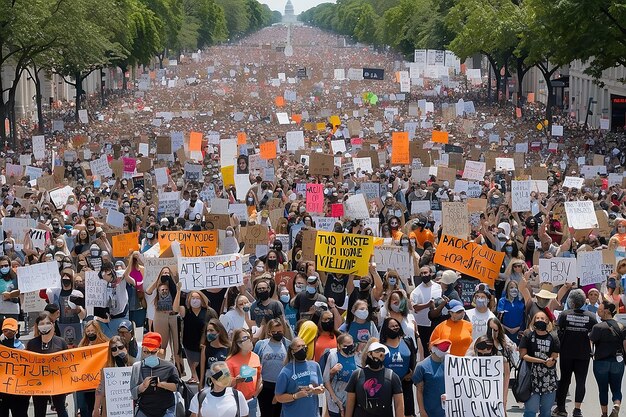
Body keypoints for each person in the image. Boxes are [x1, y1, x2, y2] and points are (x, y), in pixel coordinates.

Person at [553, 289, 597, 417]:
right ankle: (577, 410)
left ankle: (561, 408)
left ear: (571, 302)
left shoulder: (564, 315)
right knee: (581, 381)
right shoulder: (591, 317)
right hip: (583, 355)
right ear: (584, 301)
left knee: (565, 380)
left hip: (566, 353)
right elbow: (594, 335)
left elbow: (558, 333)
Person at [345, 339, 404, 417]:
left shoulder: (392, 376)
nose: (378, 358)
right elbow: (350, 401)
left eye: (382, 355)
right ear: (369, 354)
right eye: (376, 352)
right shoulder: (357, 375)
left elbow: (399, 404)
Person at [27, 312, 69, 417]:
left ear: (52, 324)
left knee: (61, 408)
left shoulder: (61, 342)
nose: (44, 325)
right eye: (41, 323)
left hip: (57, 382)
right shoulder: (32, 344)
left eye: (47, 323)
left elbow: (67, 362)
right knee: (39, 411)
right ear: (37, 326)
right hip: (39, 384)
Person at [518, 311, 560, 417]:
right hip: (531, 376)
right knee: (531, 410)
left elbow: (555, 354)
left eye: (542, 318)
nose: (540, 320)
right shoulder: (528, 335)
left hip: (548, 377)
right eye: (537, 318)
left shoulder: (553, 337)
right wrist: (541, 361)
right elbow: (523, 355)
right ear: (533, 321)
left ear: (547, 321)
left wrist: (551, 360)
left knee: (546, 411)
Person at [589, 301, 626, 417]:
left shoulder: (597, 327)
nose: (598, 312)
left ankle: (604, 414)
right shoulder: (622, 327)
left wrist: (591, 354)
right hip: (617, 361)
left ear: (606, 311)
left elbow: (590, 343)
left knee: (603, 389)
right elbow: (625, 344)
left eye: (600, 310)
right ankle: (616, 405)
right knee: (617, 388)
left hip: (601, 362)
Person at [130, 332, 180, 417]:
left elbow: (176, 387)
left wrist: (161, 384)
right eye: (146, 352)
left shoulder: (169, 367)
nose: (149, 355)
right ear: (142, 349)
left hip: (166, 410)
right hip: (144, 410)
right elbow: (133, 392)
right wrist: (143, 386)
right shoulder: (137, 367)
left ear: (159, 350)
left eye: (153, 352)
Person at [274, 337, 325, 417]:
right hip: (292, 413)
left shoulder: (315, 365)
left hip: (312, 413)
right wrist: (295, 396)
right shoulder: (286, 371)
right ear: (292, 351)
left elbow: (321, 386)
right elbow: (278, 397)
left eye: (303, 346)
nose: (302, 349)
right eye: (298, 347)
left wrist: (318, 390)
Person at [176, 290, 216, 384]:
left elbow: (216, 327)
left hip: (204, 344)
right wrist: (178, 290)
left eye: (197, 298)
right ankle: (194, 377)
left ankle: (203, 379)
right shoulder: (185, 311)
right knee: (193, 365)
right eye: (193, 298)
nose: (195, 300)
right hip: (189, 344)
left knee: (202, 364)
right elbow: (175, 308)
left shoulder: (209, 312)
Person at [380, 317, 417, 417]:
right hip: (386, 384)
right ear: (386, 329)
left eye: (396, 326)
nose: (395, 328)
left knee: (408, 412)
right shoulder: (380, 346)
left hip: (405, 384)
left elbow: (413, 357)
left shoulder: (408, 341)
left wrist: (412, 372)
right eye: (392, 326)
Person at [253, 318, 290, 417]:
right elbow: (254, 363)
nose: (277, 333)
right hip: (265, 385)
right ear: (269, 332)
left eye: (280, 331)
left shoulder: (287, 345)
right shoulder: (261, 344)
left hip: (282, 385)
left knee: (279, 413)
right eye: (274, 332)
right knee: (266, 413)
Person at [226, 329, 262, 417]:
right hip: (236, 401)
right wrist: (236, 380)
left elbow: (259, 377)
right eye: (246, 338)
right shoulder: (230, 361)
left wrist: (256, 393)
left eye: (250, 337)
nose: (249, 340)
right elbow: (226, 384)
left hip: (251, 400)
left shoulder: (256, 357)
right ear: (238, 343)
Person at [93, 336, 131, 417]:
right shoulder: (106, 368)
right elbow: (100, 389)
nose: (118, 351)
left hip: (128, 407)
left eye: (120, 347)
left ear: (126, 348)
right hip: (110, 408)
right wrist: (96, 409)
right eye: (114, 349)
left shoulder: (134, 366)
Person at [323, 334, 358, 417]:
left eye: (351, 345)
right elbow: (326, 380)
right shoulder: (333, 356)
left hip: (353, 395)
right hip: (336, 395)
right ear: (339, 345)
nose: (349, 348)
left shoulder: (357, 356)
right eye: (345, 346)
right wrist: (335, 399)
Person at [413, 339, 450, 417]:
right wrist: (422, 411)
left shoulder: (450, 364)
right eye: (442, 347)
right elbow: (419, 391)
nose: (445, 350)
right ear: (433, 348)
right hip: (430, 410)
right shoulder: (422, 366)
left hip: (447, 410)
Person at [0, 318, 29, 417]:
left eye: (11, 330)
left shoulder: (22, 347)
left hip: (17, 390)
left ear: (16, 330)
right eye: (5, 330)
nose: (8, 332)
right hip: (2, 390)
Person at [410, 266, 441, 354]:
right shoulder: (416, 291)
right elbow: (415, 307)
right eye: (422, 273)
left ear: (431, 273)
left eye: (425, 273)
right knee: (425, 349)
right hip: (422, 325)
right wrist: (427, 304)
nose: (424, 275)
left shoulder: (438, 287)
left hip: (435, 323)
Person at [199, 318, 231, 389]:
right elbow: (202, 370)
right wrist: (201, 384)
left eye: (211, 330)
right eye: (207, 331)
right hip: (209, 384)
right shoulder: (205, 349)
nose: (209, 333)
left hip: (224, 382)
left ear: (219, 332)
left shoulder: (228, 349)